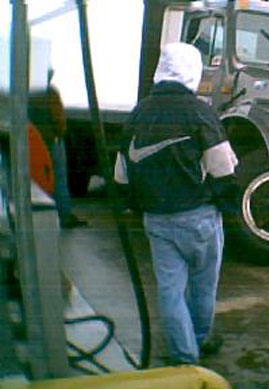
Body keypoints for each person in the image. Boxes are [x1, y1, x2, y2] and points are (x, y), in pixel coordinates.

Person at [114, 42, 239, 365]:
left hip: (156, 220)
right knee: (202, 286)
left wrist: (136, 205)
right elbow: (223, 170)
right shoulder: (200, 113)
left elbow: (121, 174)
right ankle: (199, 340)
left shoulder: (138, 113)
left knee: (170, 290)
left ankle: (185, 357)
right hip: (199, 218)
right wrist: (226, 207)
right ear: (192, 73)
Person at [28, 69, 87, 229]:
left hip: (33, 141)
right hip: (51, 139)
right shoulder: (49, 92)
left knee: (39, 180)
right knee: (59, 178)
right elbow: (58, 116)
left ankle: (43, 216)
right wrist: (60, 134)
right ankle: (64, 215)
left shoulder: (26, 93)